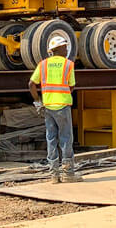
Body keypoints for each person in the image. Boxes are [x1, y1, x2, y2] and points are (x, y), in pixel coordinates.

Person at [29, 37, 81, 183]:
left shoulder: (43, 64)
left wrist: (38, 102)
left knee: (51, 139)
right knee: (66, 138)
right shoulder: (68, 65)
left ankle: (53, 175)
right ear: (58, 49)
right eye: (64, 47)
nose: (66, 50)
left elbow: (31, 84)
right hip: (63, 106)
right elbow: (71, 86)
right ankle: (68, 174)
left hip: (48, 107)